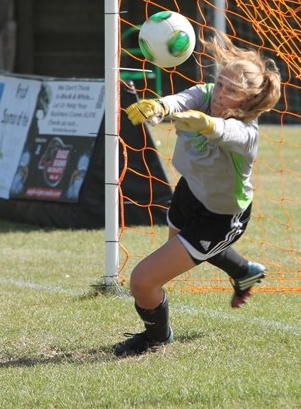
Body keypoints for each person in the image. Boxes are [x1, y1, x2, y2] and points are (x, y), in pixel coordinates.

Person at [114, 33, 282, 357]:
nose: (219, 94)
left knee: (142, 282)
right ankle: (245, 271)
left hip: (220, 217)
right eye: (220, 84)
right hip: (190, 190)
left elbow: (225, 131)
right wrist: (160, 106)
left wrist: (205, 124)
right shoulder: (207, 95)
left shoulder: (247, 133)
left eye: (231, 91)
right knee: (181, 249)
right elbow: (183, 99)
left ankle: (156, 338)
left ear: (247, 102)